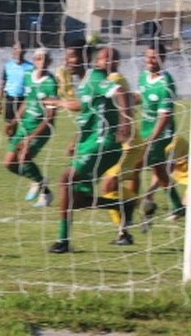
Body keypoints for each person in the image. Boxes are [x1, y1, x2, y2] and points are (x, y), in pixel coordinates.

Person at [45, 42, 132, 253]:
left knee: (66, 179)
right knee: (77, 200)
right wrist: (75, 138)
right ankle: (121, 205)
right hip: (89, 145)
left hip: (105, 143)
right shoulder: (84, 83)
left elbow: (120, 92)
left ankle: (63, 241)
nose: (67, 61)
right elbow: (85, 109)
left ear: (84, 57)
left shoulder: (95, 78)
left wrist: (125, 123)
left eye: (72, 56)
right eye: (66, 57)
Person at [97, 47, 143, 242]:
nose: (106, 61)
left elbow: (127, 101)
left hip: (129, 144)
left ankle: (133, 206)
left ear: (116, 62)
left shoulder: (114, 79)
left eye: (110, 58)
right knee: (111, 185)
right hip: (120, 144)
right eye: (102, 57)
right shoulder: (106, 82)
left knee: (109, 184)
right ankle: (124, 231)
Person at [3, 48, 57, 208]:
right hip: (24, 125)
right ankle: (40, 183)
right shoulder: (28, 76)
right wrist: (14, 122)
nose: (42, 62)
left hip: (42, 128)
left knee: (24, 156)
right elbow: (27, 101)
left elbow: (50, 116)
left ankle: (41, 188)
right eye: (39, 59)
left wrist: (31, 138)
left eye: (46, 59)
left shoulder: (50, 83)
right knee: (9, 164)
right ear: (34, 61)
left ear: (50, 62)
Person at [137, 41, 184, 225]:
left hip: (161, 133)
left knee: (138, 164)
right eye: (147, 57)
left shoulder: (166, 83)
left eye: (154, 57)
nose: (150, 61)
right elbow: (143, 95)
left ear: (162, 59)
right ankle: (175, 205)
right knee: (159, 169)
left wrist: (151, 140)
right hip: (146, 130)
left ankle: (141, 206)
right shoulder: (143, 76)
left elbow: (165, 118)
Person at [0, 42, 35, 134]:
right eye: (15, 49)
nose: (17, 51)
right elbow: (3, 84)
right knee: (10, 127)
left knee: (25, 126)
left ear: (24, 51)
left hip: (25, 100)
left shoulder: (31, 67)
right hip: (10, 98)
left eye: (19, 49)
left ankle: (23, 145)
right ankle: (13, 146)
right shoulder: (8, 66)